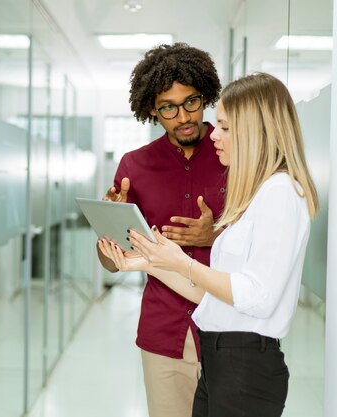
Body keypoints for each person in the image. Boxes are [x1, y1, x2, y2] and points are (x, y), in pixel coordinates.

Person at [99, 72, 319, 417]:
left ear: (256, 131)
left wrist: (184, 260)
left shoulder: (280, 192)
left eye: (226, 127)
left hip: (242, 365)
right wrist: (144, 262)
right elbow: (215, 297)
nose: (213, 134)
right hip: (220, 354)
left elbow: (256, 296)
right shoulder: (259, 195)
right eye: (168, 108)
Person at [97, 43, 226, 417]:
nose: (183, 116)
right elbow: (112, 263)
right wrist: (110, 233)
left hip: (229, 331)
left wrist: (212, 236)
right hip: (164, 332)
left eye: (192, 102)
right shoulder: (134, 166)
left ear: (206, 95)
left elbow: (261, 244)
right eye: (168, 107)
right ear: (152, 109)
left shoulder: (236, 155)